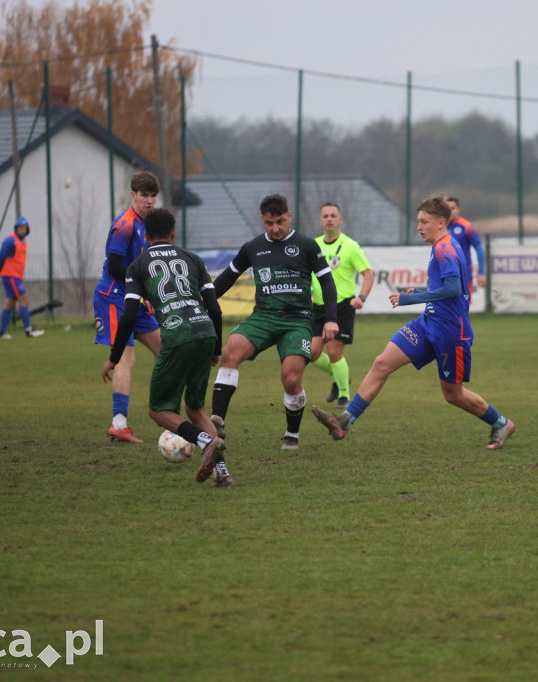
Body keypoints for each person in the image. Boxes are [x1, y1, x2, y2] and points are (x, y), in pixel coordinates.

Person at [312, 193, 515, 450]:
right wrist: (420, 293)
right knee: (382, 363)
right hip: (427, 322)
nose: (418, 227)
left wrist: (413, 300)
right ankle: (344, 422)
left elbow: (453, 289)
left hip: (450, 332)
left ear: (441, 222)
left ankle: (501, 423)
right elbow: (445, 287)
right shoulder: (440, 246)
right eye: (418, 221)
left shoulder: (447, 249)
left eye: (424, 221)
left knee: (453, 395)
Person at [101, 208, 230, 486]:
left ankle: (206, 440)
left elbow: (129, 315)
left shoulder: (137, 265)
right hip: (205, 332)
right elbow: (215, 309)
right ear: (173, 233)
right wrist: (216, 347)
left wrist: (114, 356)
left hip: (177, 335)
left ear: (145, 236)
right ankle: (222, 474)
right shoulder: (193, 259)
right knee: (195, 408)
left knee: (158, 410)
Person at [210, 194, 339, 451]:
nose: (275, 228)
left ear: (289, 216)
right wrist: (203, 303)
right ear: (263, 221)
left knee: (290, 379)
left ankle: (292, 434)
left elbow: (327, 282)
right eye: (269, 223)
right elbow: (226, 279)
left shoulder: (306, 246)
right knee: (230, 351)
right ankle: (217, 422)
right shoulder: (252, 247)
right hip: (263, 317)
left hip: (297, 320)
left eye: (280, 221)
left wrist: (331, 319)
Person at [93, 171, 163, 443]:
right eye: (144, 195)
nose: (148, 201)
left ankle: (165, 409)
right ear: (132, 194)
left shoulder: (148, 226)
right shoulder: (124, 225)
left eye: (152, 196)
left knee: (165, 350)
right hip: (112, 297)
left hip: (134, 297)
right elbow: (114, 266)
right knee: (127, 358)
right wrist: (142, 288)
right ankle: (119, 425)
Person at [309, 202, 375, 409]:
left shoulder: (350, 246)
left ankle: (344, 396)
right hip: (318, 307)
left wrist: (361, 298)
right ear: (320, 220)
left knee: (335, 352)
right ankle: (341, 378)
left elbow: (368, 274)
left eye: (333, 215)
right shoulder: (313, 245)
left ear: (340, 219)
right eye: (325, 216)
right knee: (311, 353)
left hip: (342, 306)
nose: (329, 219)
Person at [0, 216, 44, 339]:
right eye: (20, 228)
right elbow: (0, 257)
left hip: (15, 276)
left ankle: (1, 333)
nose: (23, 230)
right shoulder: (10, 240)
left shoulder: (23, 241)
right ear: (16, 229)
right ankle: (29, 330)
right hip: (11, 276)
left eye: (25, 228)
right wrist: (0, 270)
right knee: (24, 299)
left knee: (10, 303)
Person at [447, 197, 486, 300]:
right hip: (445, 271)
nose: (449, 211)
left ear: (458, 209)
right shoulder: (441, 226)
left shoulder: (467, 226)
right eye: (447, 208)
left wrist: (481, 273)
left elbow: (479, 249)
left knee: (463, 305)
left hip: (463, 272)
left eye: (452, 208)